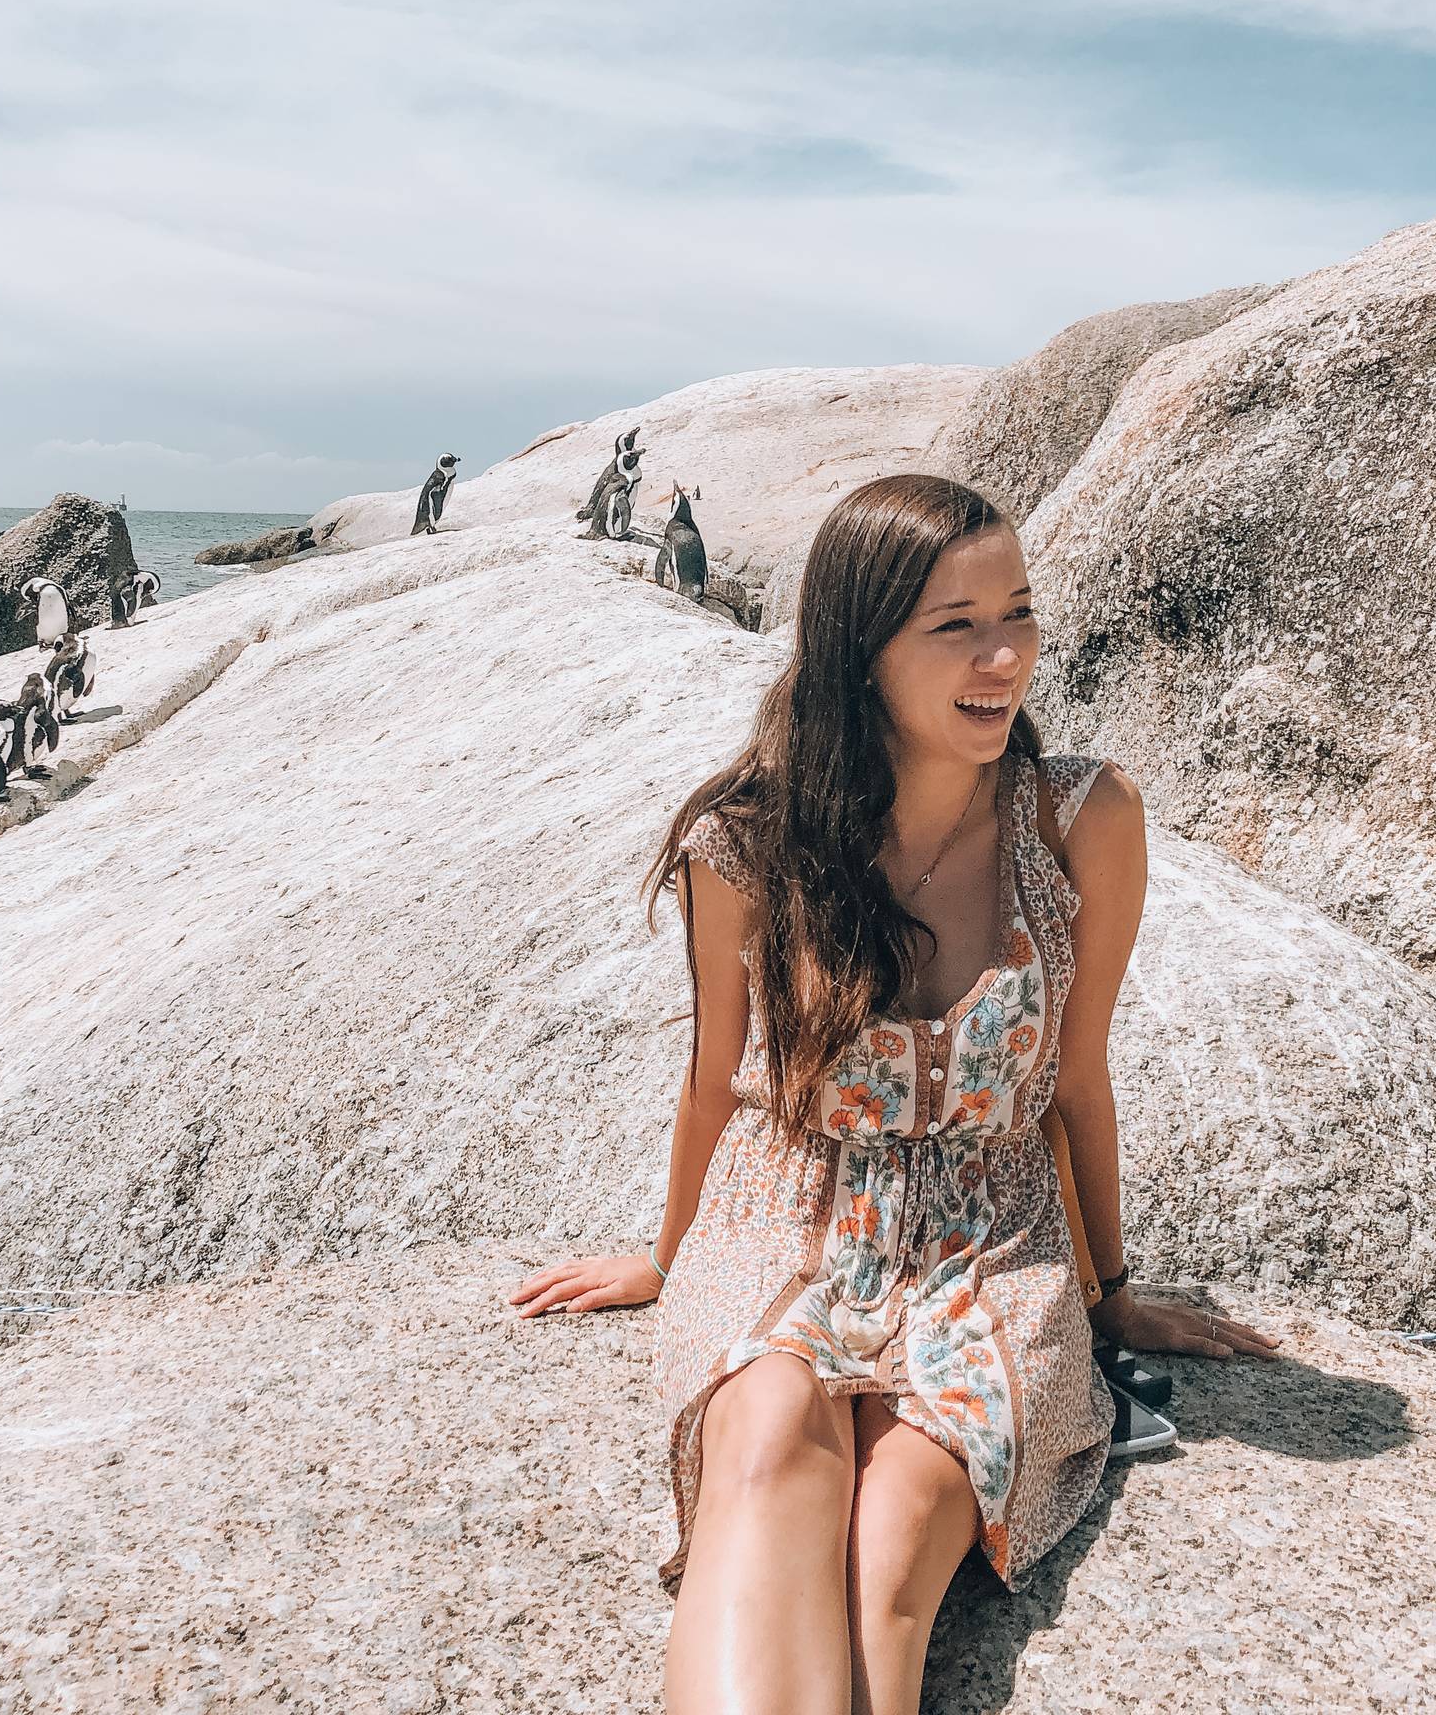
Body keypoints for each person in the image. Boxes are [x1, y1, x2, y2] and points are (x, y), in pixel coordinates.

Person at [506, 475, 1282, 1714]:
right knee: (767, 1450)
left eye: (1019, 614)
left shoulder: (1080, 817)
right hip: (789, 1214)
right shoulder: (748, 840)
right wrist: (667, 1258)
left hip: (996, 1235)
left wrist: (1112, 1297)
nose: (1003, 655)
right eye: (955, 625)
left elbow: (1077, 1078)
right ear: (859, 651)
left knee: (897, 1540)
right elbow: (715, 1085)